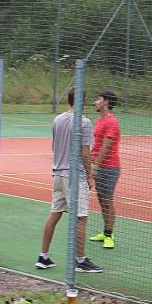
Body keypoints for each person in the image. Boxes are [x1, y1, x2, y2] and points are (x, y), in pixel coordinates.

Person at [36, 88, 103, 273]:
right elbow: (85, 152)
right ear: (83, 100)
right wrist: (90, 175)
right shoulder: (84, 122)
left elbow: (55, 146)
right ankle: (80, 260)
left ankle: (43, 257)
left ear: (69, 100)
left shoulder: (57, 119)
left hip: (58, 174)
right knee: (81, 217)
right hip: (74, 176)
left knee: (55, 214)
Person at [89, 90, 122, 249]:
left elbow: (106, 146)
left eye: (98, 99)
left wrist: (96, 166)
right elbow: (96, 144)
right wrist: (90, 157)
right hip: (99, 166)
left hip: (109, 167)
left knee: (107, 201)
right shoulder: (98, 120)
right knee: (102, 200)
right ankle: (106, 231)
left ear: (106, 102)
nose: (95, 102)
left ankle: (109, 235)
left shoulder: (112, 122)